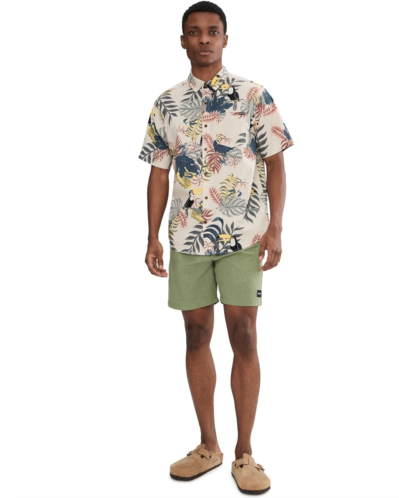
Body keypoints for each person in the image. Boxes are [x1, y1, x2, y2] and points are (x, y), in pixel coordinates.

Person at [138, 1, 294, 494]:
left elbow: (276, 163)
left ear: (225, 38)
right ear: (182, 41)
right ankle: (209, 445)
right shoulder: (166, 104)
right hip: (187, 236)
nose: (203, 38)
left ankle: (245, 453)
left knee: (244, 334)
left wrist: (276, 228)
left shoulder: (253, 95)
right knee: (195, 335)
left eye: (212, 31)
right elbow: (158, 173)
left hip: (244, 235)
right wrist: (151, 235)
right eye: (194, 31)